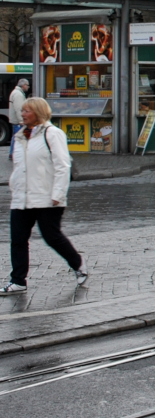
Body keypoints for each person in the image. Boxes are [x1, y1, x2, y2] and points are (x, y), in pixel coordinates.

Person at [3, 97, 88, 294]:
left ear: (39, 113)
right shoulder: (20, 136)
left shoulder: (52, 134)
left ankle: (78, 263)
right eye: (22, 111)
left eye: (27, 111)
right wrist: (14, 186)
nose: (22, 114)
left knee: (52, 237)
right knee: (18, 239)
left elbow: (62, 165)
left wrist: (58, 193)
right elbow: (19, 167)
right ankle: (18, 280)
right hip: (22, 197)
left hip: (47, 197)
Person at [8, 78, 28, 161]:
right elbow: (19, 109)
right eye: (27, 85)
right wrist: (22, 120)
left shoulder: (16, 92)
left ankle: (12, 153)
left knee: (15, 137)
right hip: (18, 121)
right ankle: (13, 154)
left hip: (15, 120)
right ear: (23, 85)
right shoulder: (18, 94)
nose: (28, 87)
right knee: (17, 138)